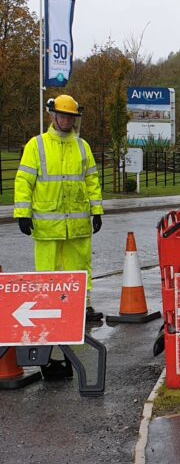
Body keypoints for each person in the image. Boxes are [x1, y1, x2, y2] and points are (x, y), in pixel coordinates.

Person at [14, 94, 104, 323]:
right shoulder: (37, 145)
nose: (66, 120)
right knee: (48, 268)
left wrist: (97, 211)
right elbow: (24, 180)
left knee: (80, 266)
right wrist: (23, 214)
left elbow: (91, 181)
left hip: (77, 224)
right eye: (62, 115)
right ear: (53, 115)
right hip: (48, 224)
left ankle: (83, 306)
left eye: (70, 116)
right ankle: (49, 305)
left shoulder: (83, 147)